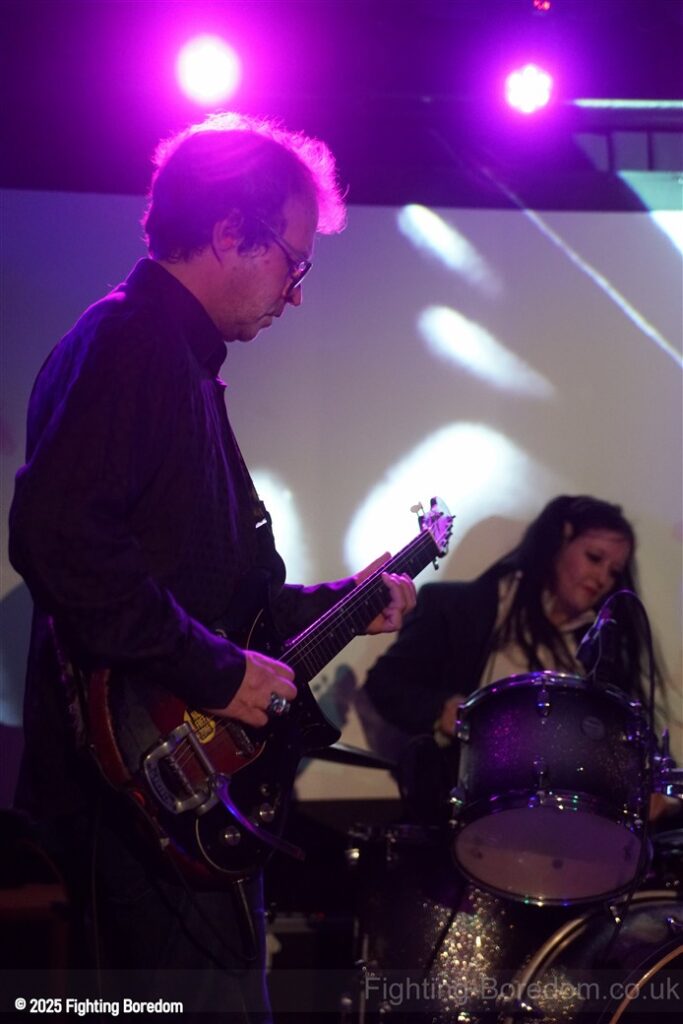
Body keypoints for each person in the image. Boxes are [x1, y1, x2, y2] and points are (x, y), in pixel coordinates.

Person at [8, 111, 415, 1021]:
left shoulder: (167, 356)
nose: (294, 295)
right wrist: (216, 672)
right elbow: (60, 540)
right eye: (293, 263)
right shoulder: (131, 343)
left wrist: (339, 603)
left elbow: (207, 593)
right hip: (141, 794)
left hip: (175, 788)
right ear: (231, 232)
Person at [362, 494, 678, 824]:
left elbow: (632, 730)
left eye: (613, 572)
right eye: (594, 557)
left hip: (566, 830)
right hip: (460, 821)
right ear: (561, 538)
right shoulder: (457, 607)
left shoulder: (602, 646)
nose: (602, 579)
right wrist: (442, 711)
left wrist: (653, 783)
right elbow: (385, 683)